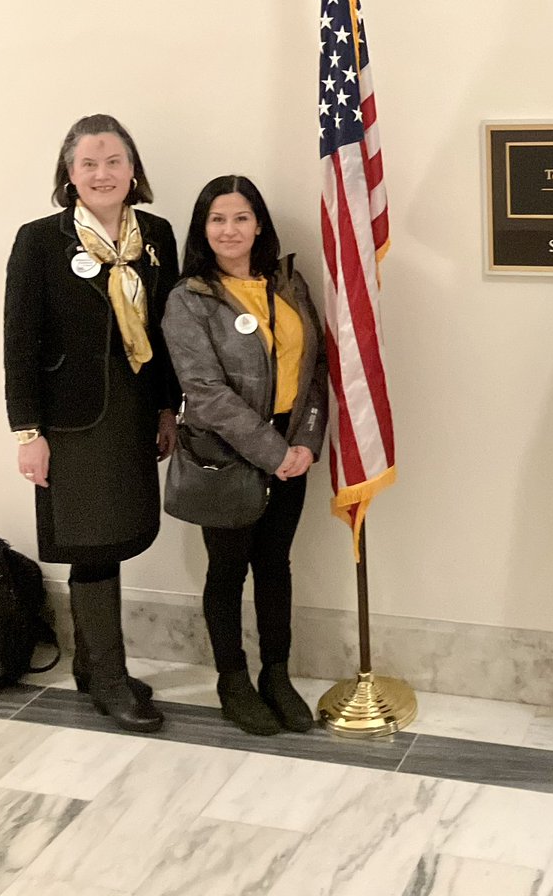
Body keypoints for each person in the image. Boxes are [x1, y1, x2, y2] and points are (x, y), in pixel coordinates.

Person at [5, 113, 179, 733]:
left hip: (133, 413)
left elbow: (165, 332)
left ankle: (92, 666)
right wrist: (28, 433)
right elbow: (18, 343)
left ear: (133, 172)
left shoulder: (157, 236)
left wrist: (168, 408)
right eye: (88, 164)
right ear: (69, 174)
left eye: (113, 162)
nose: (102, 173)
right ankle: (107, 678)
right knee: (92, 541)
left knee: (119, 532)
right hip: (71, 423)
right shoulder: (39, 241)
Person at [162, 176, 327, 736]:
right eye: (217, 219)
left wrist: (304, 441)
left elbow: (315, 369)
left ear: (259, 224)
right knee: (228, 569)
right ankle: (232, 680)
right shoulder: (189, 299)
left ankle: (276, 675)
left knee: (275, 564)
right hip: (228, 453)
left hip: (292, 451)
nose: (229, 230)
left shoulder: (290, 284)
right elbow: (204, 391)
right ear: (202, 229)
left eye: (240, 217)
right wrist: (272, 451)